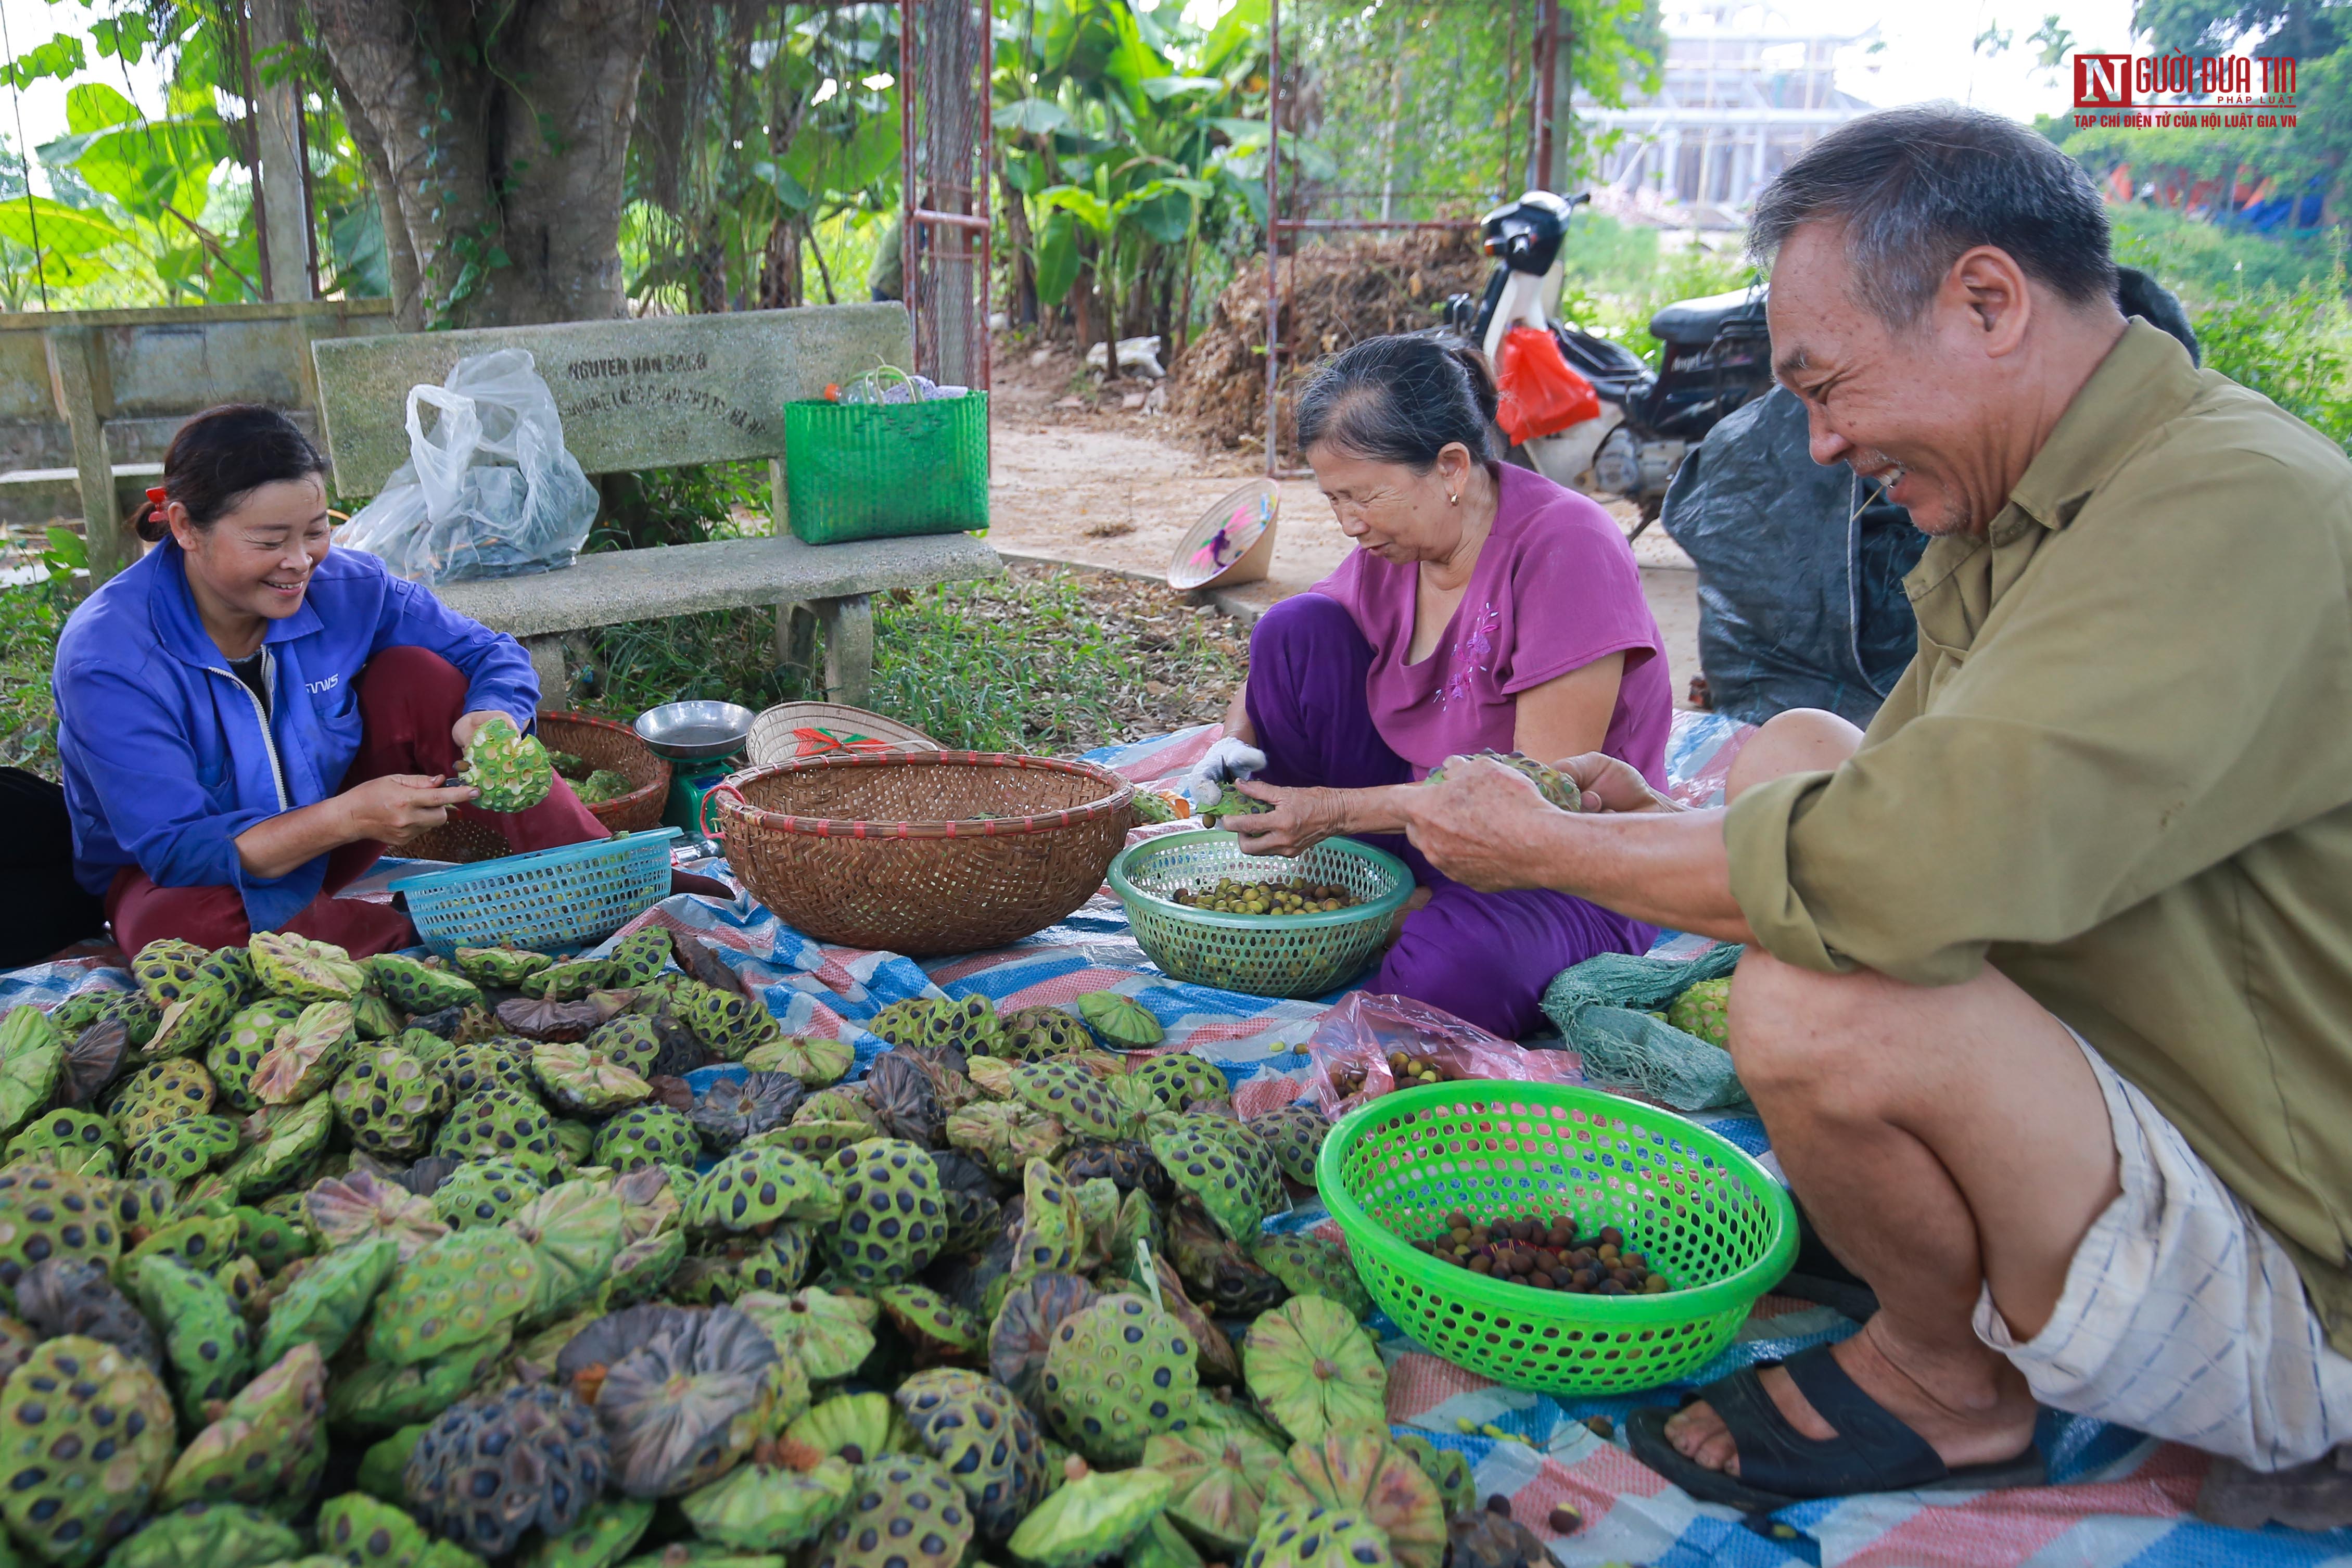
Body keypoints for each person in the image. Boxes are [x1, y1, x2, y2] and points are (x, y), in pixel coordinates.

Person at [1399, 104, 2352, 1517]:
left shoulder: (2231, 505)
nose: (1821, 441)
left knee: (1809, 1001)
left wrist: (1554, 847)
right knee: (1788, 750)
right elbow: (1873, 797)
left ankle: (1945, 1375)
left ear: (1984, 300)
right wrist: (1643, 812)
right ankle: (1960, 1251)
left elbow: (1894, 866)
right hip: (2138, 1076)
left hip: (2288, 1261)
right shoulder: (2028, 513)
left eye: (1823, 385)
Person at [52, 404, 693, 960]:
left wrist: (493, 718)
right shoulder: (109, 657)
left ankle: (604, 883)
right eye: (270, 540)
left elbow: (493, 655)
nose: (300, 562)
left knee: (419, 676)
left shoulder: (349, 588)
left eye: (314, 530)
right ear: (186, 528)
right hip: (193, 880)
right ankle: (422, 934)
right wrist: (349, 816)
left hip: (332, 844)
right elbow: (177, 848)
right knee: (178, 936)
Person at [1200, 333, 1673, 1039]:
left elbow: (1533, 806)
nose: (1349, 524)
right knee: (1292, 629)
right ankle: (1378, 894)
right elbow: (1292, 647)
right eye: (1334, 500)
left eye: (1364, 497)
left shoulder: (1566, 547)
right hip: (1418, 824)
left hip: (1556, 864)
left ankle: (1399, 911)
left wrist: (1331, 810)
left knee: (1443, 977)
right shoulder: (1398, 545)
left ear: (1451, 466)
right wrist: (1231, 741)